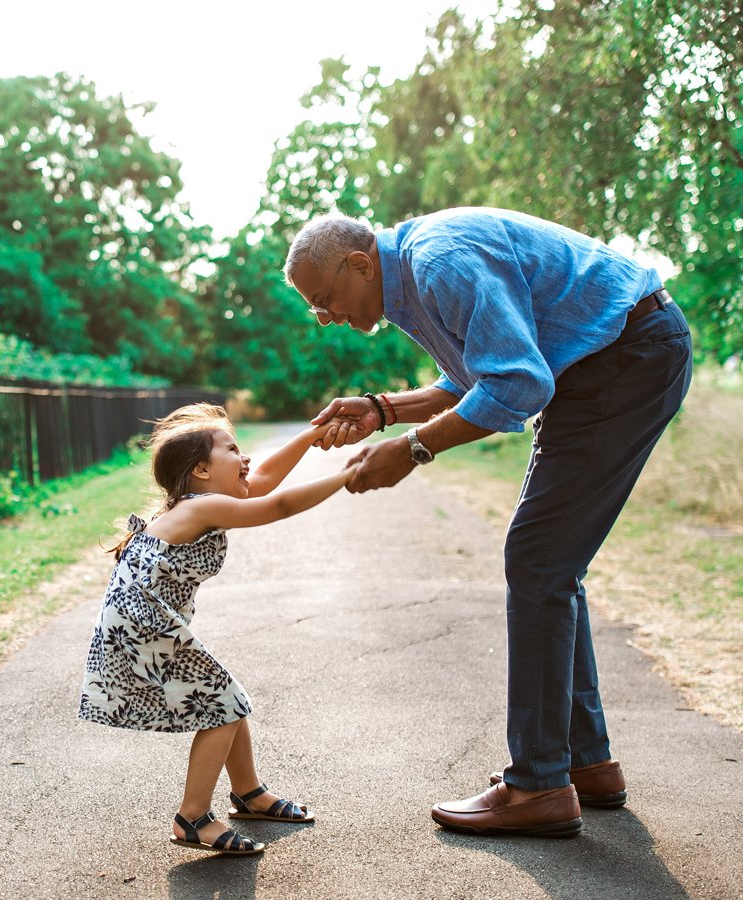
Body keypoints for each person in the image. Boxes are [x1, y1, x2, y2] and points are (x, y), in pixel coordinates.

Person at [286, 207, 693, 838]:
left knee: (538, 560)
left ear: (359, 264)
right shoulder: (412, 276)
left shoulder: (437, 262)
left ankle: (536, 786)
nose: (324, 315)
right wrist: (382, 409)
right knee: (548, 562)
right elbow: (475, 376)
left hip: (624, 356)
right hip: (611, 360)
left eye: (325, 298)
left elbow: (518, 382)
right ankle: (583, 764)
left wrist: (414, 448)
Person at [78, 403, 353, 855]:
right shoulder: (198, 510)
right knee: (225, 702)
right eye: (232, 450)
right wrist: (348, 476)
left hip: (142, 626)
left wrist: (310, 437)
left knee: (225, 701)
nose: (244, 459)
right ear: (202, 470)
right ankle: (192, 818)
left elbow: (261, 484)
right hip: (144, 628)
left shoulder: (196, 504)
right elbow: (276, 504)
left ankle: (249, 793)